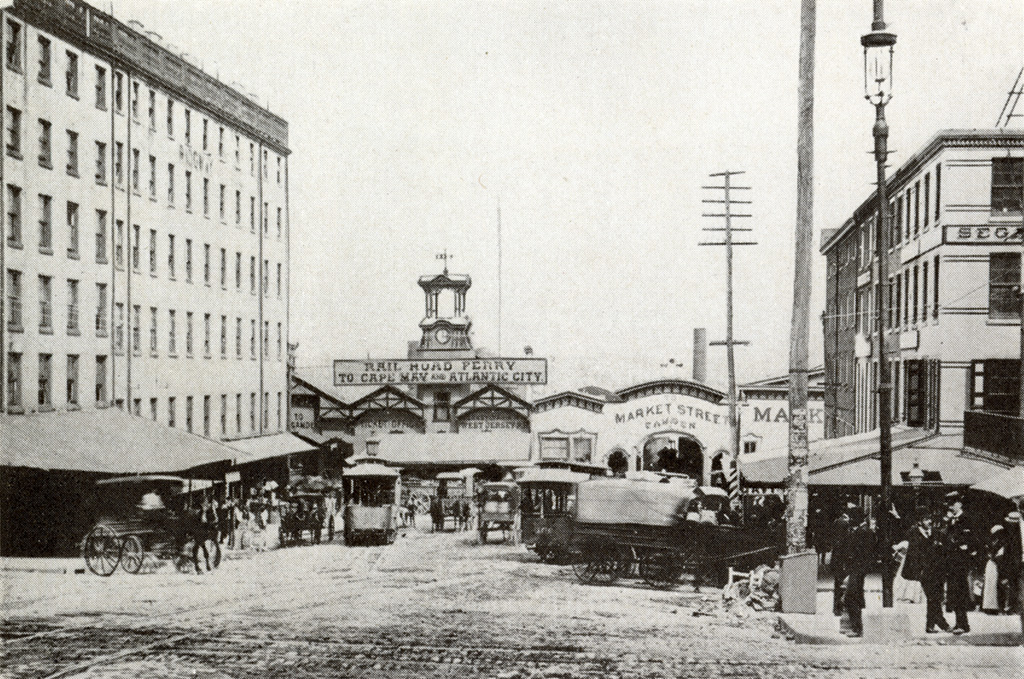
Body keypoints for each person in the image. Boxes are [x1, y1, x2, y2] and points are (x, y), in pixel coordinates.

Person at [899, 514, 949, 633]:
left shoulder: (936, 533)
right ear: (919, 521)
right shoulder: (913, 533)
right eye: (926, 519)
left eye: (930, 519)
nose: (929, 521)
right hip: (922, 571)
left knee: (935, 598)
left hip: (936, 570)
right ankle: (941, 624)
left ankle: (931, 625)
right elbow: (914, 553)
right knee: (932, 597)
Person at [942, 492, 977, 634]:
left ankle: (963, 623)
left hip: (961, 562)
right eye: (950, 504)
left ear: (960, 504)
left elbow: (971, 540)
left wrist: (965, 549)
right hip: (952, 561)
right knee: (954, 593)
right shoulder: (952, 520)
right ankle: (960, 622)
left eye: (953, 504)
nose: (951, 507)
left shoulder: (966, 519)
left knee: (960, 592)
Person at [841, 506, 875, 637]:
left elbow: (864, 553)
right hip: (858, 569)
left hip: (858, 569)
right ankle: (857, 626)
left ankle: (857, 627)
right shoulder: (862, 530)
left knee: (851, 597)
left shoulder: (864, 532)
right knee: (857, 597)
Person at [830, 507, 852, 617]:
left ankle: (836, 607)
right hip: (843, 562)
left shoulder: (836, 523)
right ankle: (840, 607)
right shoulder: (845, 525)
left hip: (837, 562)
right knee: (843, 586)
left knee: (837, 585)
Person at [982, 525, 1007, 614]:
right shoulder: (993, 542)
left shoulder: (1002, 542)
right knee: (990, 585)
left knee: (994, 585)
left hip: (996, 564)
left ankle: (995, 606)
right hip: (992, 564)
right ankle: (989, 607)